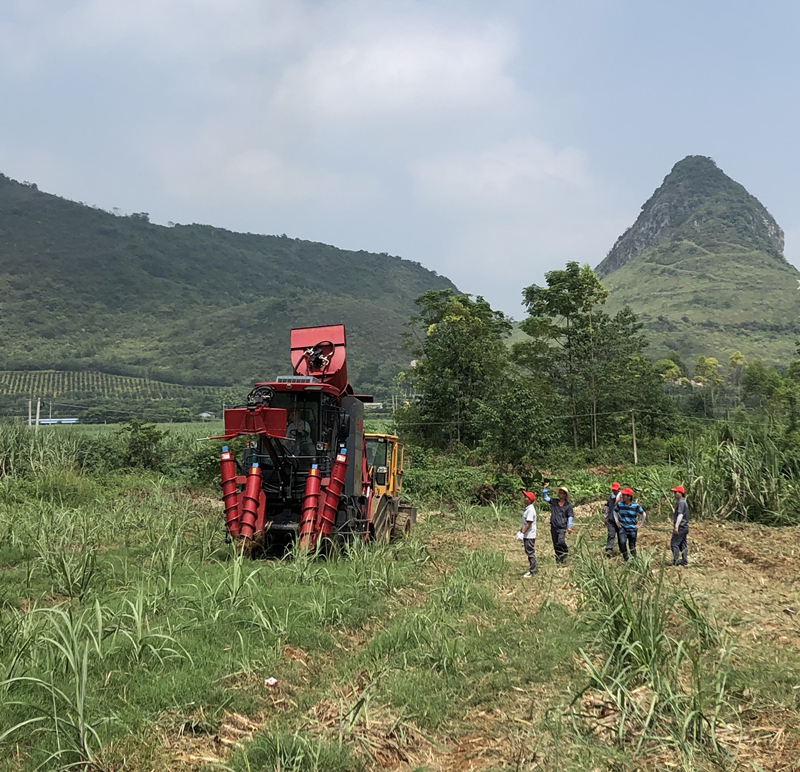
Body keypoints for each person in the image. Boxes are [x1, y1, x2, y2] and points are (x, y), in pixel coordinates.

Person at [542, 481, 573, 564]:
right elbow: (546, 498)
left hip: (562, 527)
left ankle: (565, 551)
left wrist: (569, 526)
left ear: (565, 495)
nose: (559, 494)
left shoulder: (568, 506)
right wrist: (545, 488)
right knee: (555, 543)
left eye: (561, 493)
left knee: (561, 541)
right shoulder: (554, 501)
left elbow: (570, 516)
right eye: (559, 493)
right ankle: (559, 559)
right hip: (553, 526)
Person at [613, 487, 646, 561]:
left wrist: (640, 524)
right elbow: (614, 511)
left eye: (624, 495)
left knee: (632, 545)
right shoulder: (620, 505)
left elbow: (643, 514)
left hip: (632, 529)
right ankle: (626, 558)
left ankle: (634, 560)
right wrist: (617, 521)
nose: (622, 496)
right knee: (622, 542)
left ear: (629, 497)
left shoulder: (635, 506)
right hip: (623, 527)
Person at [516, 490, 538, 577]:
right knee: (528, 551)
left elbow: (529, 523)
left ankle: (532, 570)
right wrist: (520, 531)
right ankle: (532, 569)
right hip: (527, 534)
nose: (524, 499)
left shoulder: (530, 510)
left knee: (530, 552)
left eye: (526, 497)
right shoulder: (527, 509)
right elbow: (525, 523)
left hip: (530, 535)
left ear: (530, 500)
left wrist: (523, 533)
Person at [670, 485, 689, 566]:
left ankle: (676, 560)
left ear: (680, 493)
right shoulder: (683, 502)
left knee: (674, 544)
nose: (674, 494)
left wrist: (676, 526)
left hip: (681, 527)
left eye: (676, 492)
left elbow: (680, 515)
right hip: (685, 527)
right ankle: (684, 560)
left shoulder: (681, 502)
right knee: (683, 544)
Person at [604, 481, 622, 557]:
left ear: (619, 489)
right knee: (611, 534)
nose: (614, 491)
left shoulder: (622, 497)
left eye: (615, 490)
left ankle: (622, 549)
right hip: (611, 519)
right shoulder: (610, 497)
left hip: (620, 519)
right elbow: (608, 507)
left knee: (621, 535)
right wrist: (606, 517)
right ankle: (609, 549)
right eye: (613, 490)